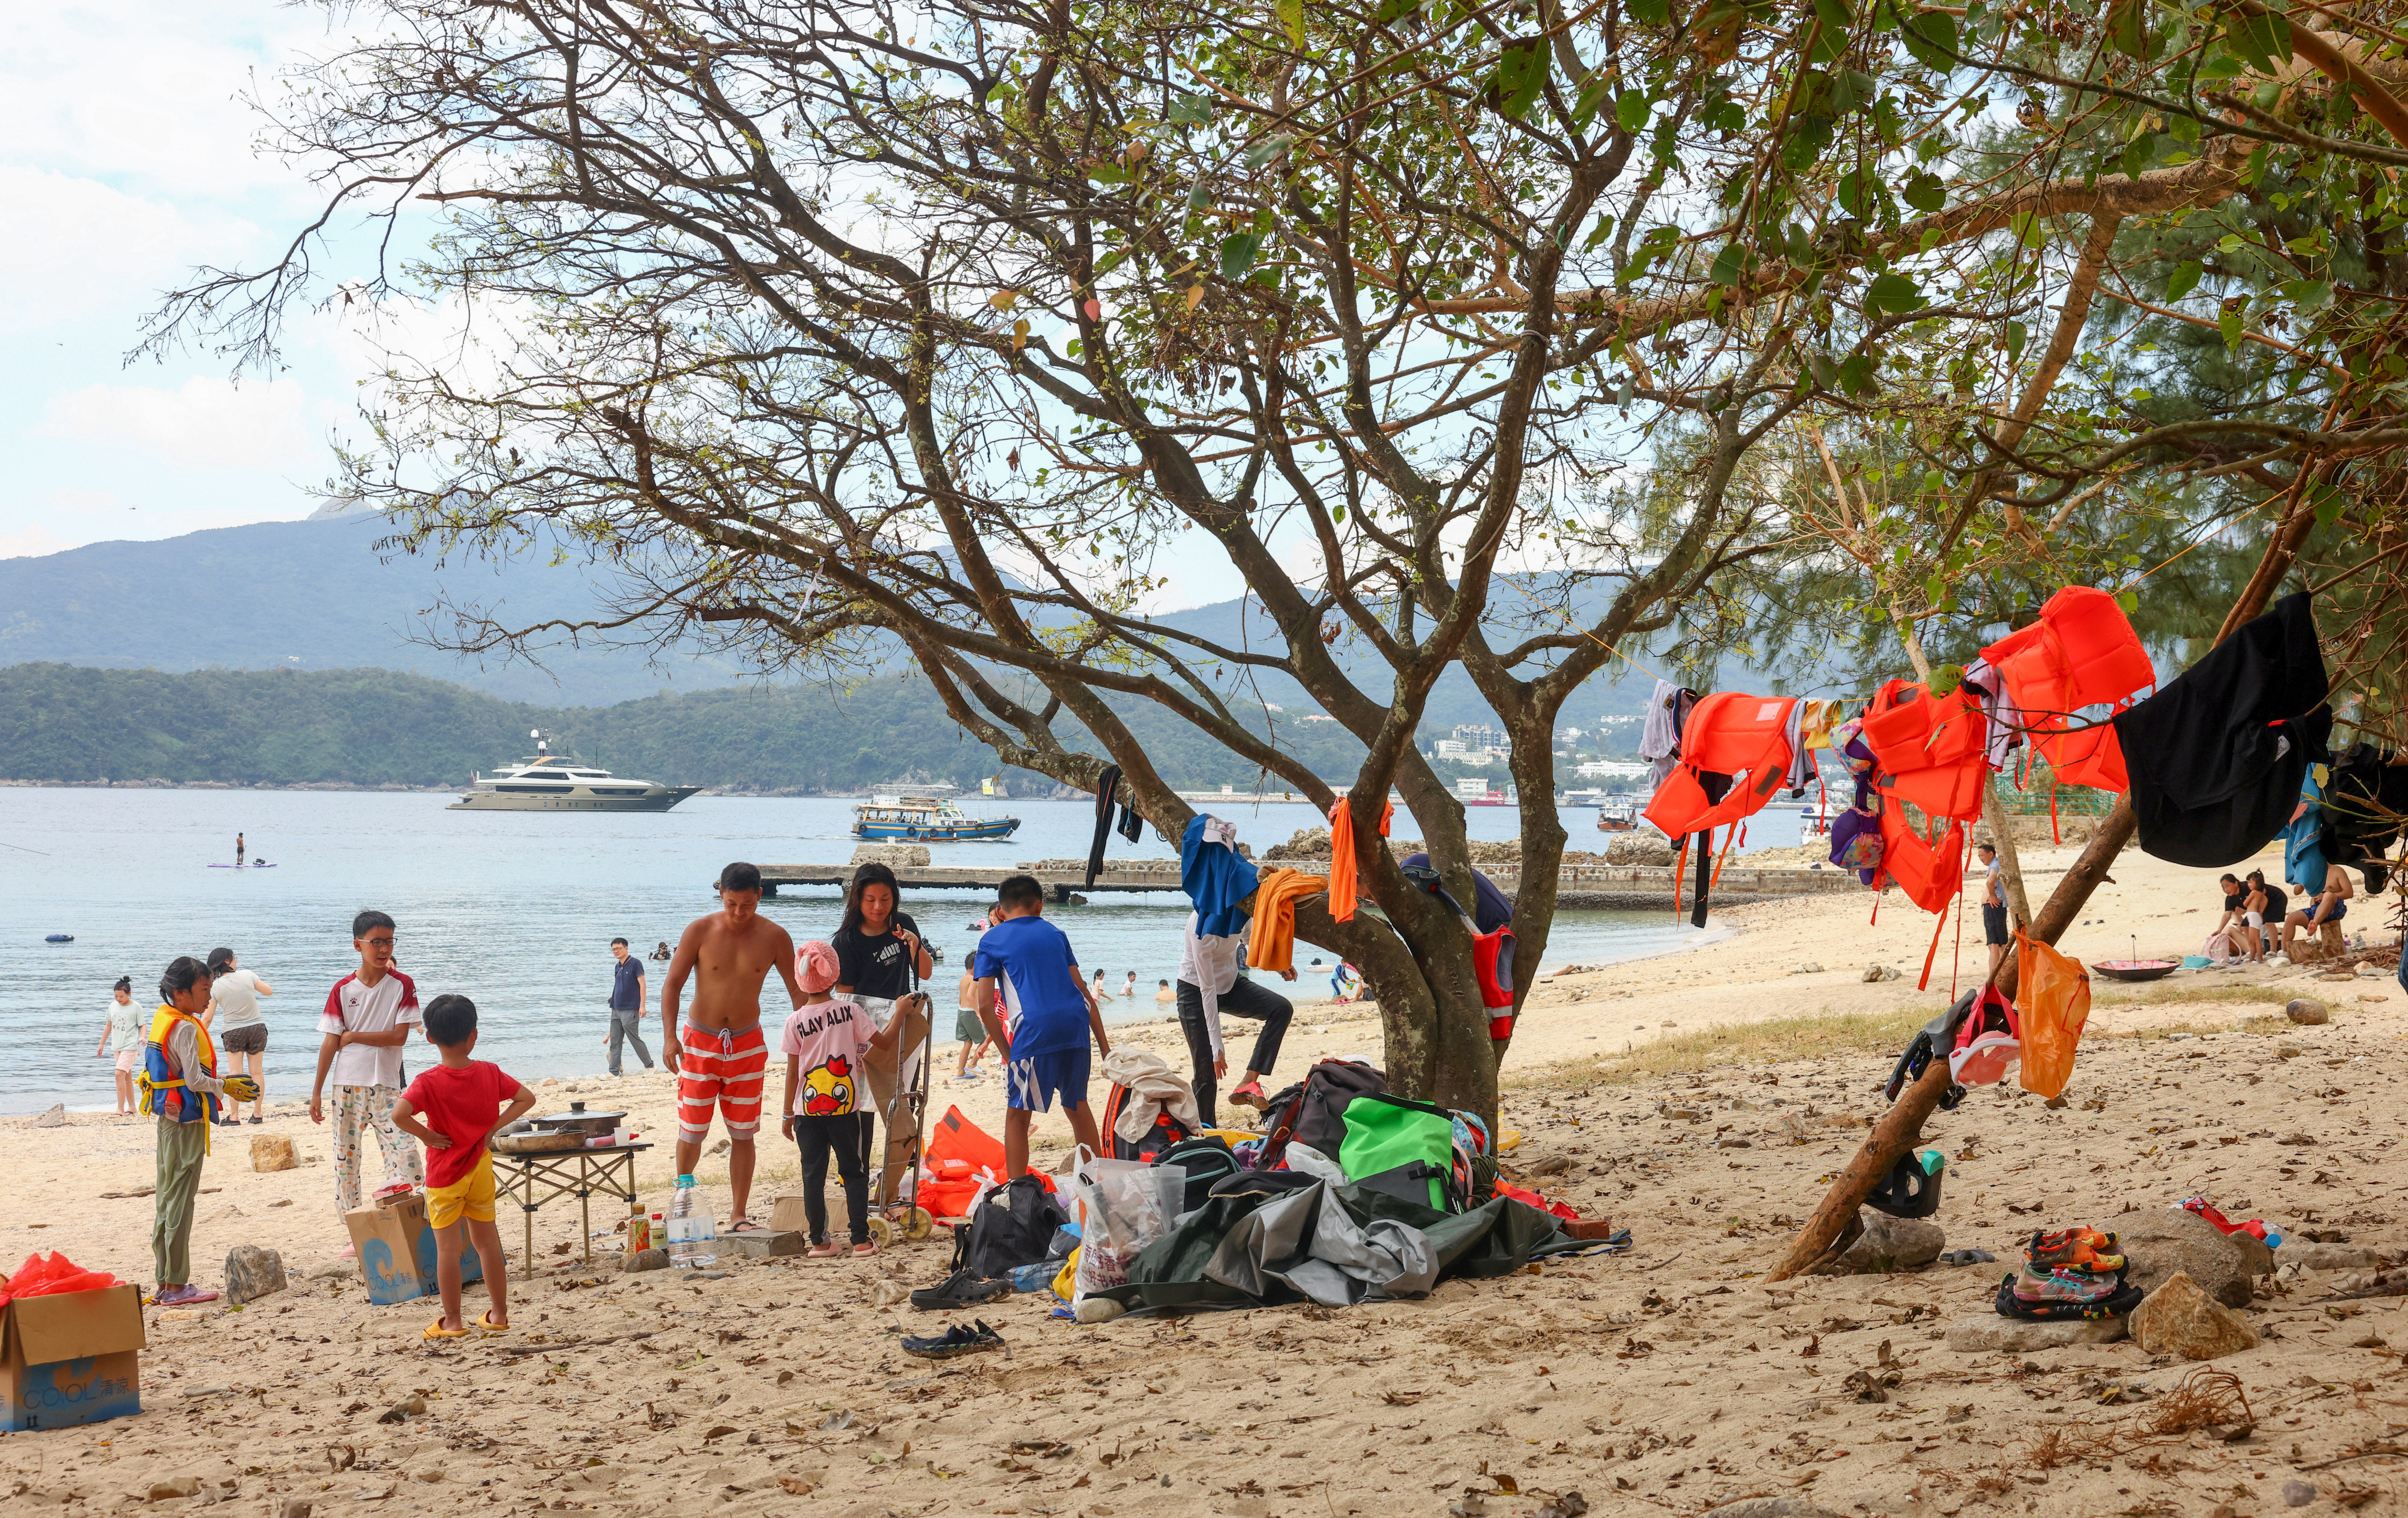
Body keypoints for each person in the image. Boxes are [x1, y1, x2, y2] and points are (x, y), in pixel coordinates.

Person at [662, 862, 806, 1234]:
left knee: (744, 1133)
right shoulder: (700, 930)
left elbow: (796, 991)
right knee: (692, 1130)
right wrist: (669, 1038)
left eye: (747, 905)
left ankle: (738, 1214)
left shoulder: (776, 937)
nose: (739, 913)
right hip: (699, 1042)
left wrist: (809, 1038)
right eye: (731, 905)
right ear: (721, 895)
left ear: (759, 896)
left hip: (747, 1044)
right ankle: (683, 1201)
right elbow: (672, 986)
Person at [392, 994, 535, 1339]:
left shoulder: (428, 1081)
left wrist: (427, 1135)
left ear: (429, 1037)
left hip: (444, 1174)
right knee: (487, 1243)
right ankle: (498, 1314)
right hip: (480, 1169)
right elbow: (526, 1098)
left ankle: (453, 1321)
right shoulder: (489, 1072)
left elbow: (399, 1115)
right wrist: (492, 1129)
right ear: (474, 1034)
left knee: (448, 1249)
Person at [968, 874, 1110, 1179]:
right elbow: (1085, 993)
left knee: (1018, 1116)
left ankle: (1018, 1191)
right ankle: (1095, 1183)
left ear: (1001, 912)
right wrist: (1105, 1047)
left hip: (1035, 1031)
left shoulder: (991, 940)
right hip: (1075, 1026)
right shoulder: (1056, 934)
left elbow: (983, 1006)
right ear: (1040, 907)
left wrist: (1008, 1053)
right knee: (1077, 1107)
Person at [310, 910, 426, 1242]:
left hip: (388, 1086)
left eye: (389, 941)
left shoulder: (402, 984)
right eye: (375, 942)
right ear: (357, 945)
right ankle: (355, 1235)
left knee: (406, 1154)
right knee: (346, 1162)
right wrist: (316, 1092)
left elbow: (399, 1037)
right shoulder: (344, 989)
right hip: (346, 1085)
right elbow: (331, 1041)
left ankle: (406, 1214)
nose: (383, 948)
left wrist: (355, 1035)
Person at [142, 956, 252, 1305]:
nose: (209, 996)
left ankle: (165, 1282)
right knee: (180, 1202)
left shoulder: (165, 1020)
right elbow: (194, 1080)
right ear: (181, 993)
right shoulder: (186, 1027)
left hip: (166, 1123)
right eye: (204, 989)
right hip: (186, 1127)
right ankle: (176, 1287)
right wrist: (226, 1086)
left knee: (166, 1197)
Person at [831, 861, 934, 1212]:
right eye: (871, 899)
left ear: (895, 898)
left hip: (904, 1024)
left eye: (886, 899)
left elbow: (925, 973)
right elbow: (844, 999)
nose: (878, 907)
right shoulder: (846, 940)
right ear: (857, 899)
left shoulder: (904, 924)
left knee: (901, 1102)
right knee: (861, 1106)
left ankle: (895, 1183)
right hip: (864, 1032)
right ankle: (856, 1179)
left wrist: (915, 945)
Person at [779, 941, 886, 1257]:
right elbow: (884, 1043)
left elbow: (793, 1073)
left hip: (806, 1111)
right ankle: (861, 1241)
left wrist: (788, 1114)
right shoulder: (851, 1011)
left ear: (801, 979)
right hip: (844, 1110)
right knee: (854, 1171)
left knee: (812, 1174)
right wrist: (904, 1012)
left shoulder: (794, 1021)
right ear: (835, 973)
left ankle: (820, 1242)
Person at [1175, 911, 1295, 1127]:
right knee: (1206, 1069)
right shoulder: (1201, 928)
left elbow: (1253, 942)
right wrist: (1216, 1045)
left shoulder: (1240, 912)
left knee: (1281, 1009)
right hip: (1194, 990)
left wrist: (1280, 964)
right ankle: (1206, 1133)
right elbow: (1207, 990)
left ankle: (1249, 1081)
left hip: (1231, 984)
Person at [205, 948, 275, 1125]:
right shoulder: (248, 975)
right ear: (227, 962)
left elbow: (208, 1017)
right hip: (257, 1028)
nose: (236, 961)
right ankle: (257, 1113)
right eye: (234, 958)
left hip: (233, 1031)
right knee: (257, 1072)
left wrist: (199, 1034)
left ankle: (234, 1116)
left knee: (235, 1074)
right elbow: (268, 991)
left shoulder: (215, 987)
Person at [2287, 860, 2357, 959]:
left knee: (2328, 895)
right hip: (2316, 909)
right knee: (2291, 918)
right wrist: (2304, 876)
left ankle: (2314, 924)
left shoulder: (2337, 871)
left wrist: (2324, 896)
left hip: (2335, 906)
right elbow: (2297, 892)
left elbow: (2349, 893)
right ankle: (2284, 952)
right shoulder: (2311, 873)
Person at [97, 976, 146, 1116]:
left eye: (122, 996)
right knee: (127, 1076)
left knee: (119, 1074)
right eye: (116, 996)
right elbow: (108, 1025)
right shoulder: (113, 1006)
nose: (118, 999)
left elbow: (142, 1025)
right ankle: (132, 1107)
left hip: (131, 1046)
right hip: (117, 1046)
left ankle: (120, 1109)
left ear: (129, 994)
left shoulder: (136, 1007)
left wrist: (143, 1037)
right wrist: (101, 1044)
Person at [606, 936, 654, 1075]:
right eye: (614, 949)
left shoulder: (635, 963)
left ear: (626, 948)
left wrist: (642, 1006)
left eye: (618, 948)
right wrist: (613, 1003)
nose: (616, 951)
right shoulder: (617, 966)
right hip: (617, 1008)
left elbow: (643, 984)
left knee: (634, 1039)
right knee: (615, 1041)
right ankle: (614, 1072)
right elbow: (618, 986)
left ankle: (650, 1066)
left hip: (630, 1008)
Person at [1976, 843, 2011, 976]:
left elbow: (1991, 881)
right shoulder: (1995, 864)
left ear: (1991, 854)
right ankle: (2000, 975)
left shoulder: (1995, 864)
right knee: (1998, 944)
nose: (1980, 858)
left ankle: (1994, 977)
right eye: (1979, 856)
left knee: (1995, 945)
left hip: (1993, 908)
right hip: (1994, 908)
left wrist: (1991, 895)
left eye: (1982, 855)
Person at [2247, 870, 2286, 958]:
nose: (2249, 885)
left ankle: (2273, 950)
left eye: (2251, 882)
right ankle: (2253, 950)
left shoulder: (2261, 890)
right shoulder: (2253, 889)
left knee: (2269, 922)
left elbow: (2263, 901)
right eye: (2248, 882)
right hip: (2268, 902)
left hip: (2277, 899)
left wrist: (2260, 912)